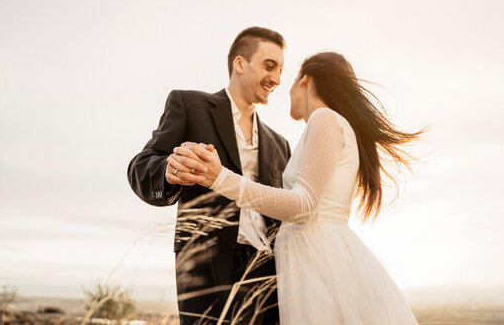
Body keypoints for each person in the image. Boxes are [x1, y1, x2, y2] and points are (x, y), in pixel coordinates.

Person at [179, 52, 422, 324]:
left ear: (305, 81)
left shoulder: (325, 118)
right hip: (318, 256)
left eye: (293, 79)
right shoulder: (333, 123)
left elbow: (303, 206)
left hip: (316, 261)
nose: (288, 88)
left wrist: (219, 177)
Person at [127, 26, 291, 324]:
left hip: (268, 277)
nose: (277, 79)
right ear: (240, 64)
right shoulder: (189, 105)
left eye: (281, 70)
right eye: (270, 66)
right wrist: (168, 171)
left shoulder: (281, 144)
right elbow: (141, 165)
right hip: (206, 271)